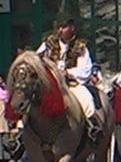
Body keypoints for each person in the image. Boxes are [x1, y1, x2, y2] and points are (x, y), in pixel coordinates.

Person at [36, 13, 101, 142]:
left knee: (86, 99)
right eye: (59, 27)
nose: (60, 30)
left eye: (63, 27)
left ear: (72, 28)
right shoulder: (48, 43)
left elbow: (85, 69)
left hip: (71, 84)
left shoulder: (80, 46)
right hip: (50, 83)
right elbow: (37, 59)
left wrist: (68, 72)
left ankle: (91, 128)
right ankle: (21, 134)